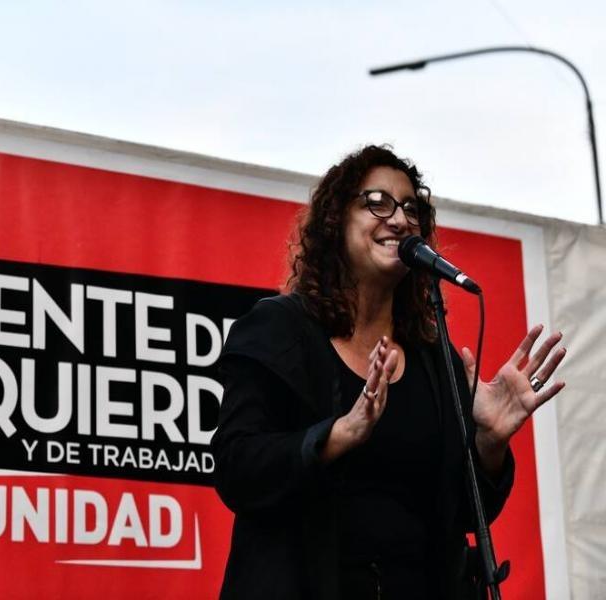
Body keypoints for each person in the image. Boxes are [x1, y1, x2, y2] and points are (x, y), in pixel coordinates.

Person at [211, 145, 566, 600]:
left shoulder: (432, 357)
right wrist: (337, 435)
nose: (399, 220)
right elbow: (237, 467)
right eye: (377, 202)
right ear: (336, 222)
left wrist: (489, 443)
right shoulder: (279, 329)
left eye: (411, 209)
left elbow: (460, 514)